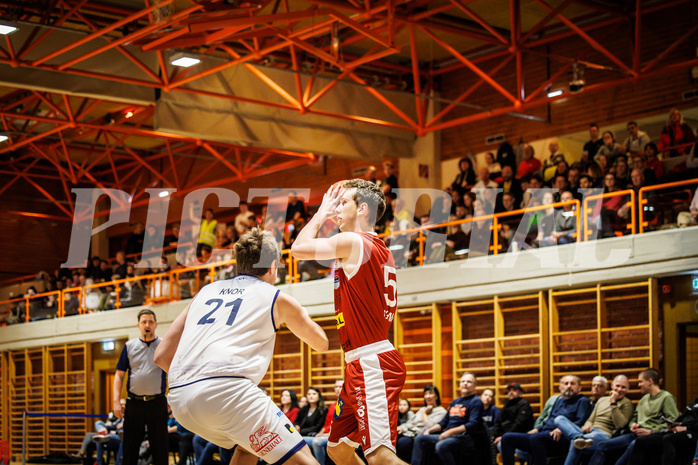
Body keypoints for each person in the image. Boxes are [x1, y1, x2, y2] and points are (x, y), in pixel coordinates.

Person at [154, 228, 329, 465]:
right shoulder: (275, 296)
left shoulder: (206, 291)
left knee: (248, 446)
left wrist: (197, 385)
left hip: (180, 399)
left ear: (239, 263)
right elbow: (321, 344)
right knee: (304, 459)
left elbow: (161, 355)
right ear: (273, 266)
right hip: (227, 393)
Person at [290, 179, 407, 465]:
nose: (337, 209)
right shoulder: (379, 247)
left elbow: (298, 248)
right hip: (361, 362)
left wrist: (320, 215)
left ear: (363, 209)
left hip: (372, 361)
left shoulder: (355, 241)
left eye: (344, 203)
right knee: (338, 449)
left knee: (382, 458)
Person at [587, 368, 680, 465]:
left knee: (634, 445)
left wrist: (652, 431)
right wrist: (632, 425)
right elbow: (634, 417)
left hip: (651, 435)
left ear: (650, 381)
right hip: (636, 434)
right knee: (602, 445)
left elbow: (673, 423)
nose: (638, 385)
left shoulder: (666, 397)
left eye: (640, 381)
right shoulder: (644, 398)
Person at [112, 309, 168, 465]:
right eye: (144, 322)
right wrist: (116, 401)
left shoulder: (163, 345)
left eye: (150, 322)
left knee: (160, 448)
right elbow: (119, 375)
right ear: (138, 325)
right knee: (130, 447)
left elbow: (174, 372)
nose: (147, 325)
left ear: (156, 325)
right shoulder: (129, 346)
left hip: (157, 403)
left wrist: (172, 399)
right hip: (134, 403)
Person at [500, 375, 591, 465]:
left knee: (536, 438)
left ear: (579, 387)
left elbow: (580, 422)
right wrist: (537, 429)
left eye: (572, 383)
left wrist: (563, 429)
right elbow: (548, 420)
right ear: (560, 387)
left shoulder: (582, 401)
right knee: (507, 438)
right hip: (544, 433)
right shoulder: (558, 401)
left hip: (561, 437)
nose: (569, 386)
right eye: (566, 383)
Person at [554, 375, 634, 465]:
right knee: (559, 419)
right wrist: (587, 425)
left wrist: (613, 403)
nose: (619, 389)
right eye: (617, 386)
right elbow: (591, 419)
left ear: (627, 389)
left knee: (575, 443)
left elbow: (620, 424)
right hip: (588, 432)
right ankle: (578, 437)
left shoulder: (627, 403)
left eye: (623, 387)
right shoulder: (602, 400)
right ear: (612, 386)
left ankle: (578, 439)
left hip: (603, 434)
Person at [411, 373, 484, 465]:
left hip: (463, 437)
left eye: (469, 381)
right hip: (449, 436)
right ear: (460, 384)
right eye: (463, 381)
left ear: (474, 385)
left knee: (441, 446)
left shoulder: (476, 401)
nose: (465, 383)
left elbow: (473, 424)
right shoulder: (456, 401)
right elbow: (444, 422)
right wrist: (429, 430)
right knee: (420, 438)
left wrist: (450, 432)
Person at [627, 394, 698, 465]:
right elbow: (683, 417)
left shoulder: (667, 397)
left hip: (693, 432)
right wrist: (674, 424)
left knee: (668, 438)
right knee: (644, 440)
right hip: (679, 429)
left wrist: (686, 428)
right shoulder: (692, 403)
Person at [311, 379, 344, 465]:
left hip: (339, 436)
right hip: (327, 435)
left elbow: (343, 428)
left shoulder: (349, 405)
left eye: (340, 387)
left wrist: (327, 435)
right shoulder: (332, 406)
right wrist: (320, 433)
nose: (337, 389)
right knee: (302, 441)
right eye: (336, 387)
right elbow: (326, 424)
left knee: (317, 442)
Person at [492, 383, 534, 449]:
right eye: (509, 391)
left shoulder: (524, 405)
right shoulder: (506, 405)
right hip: (506, 435)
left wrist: (504, 436)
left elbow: (519, 425)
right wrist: (493, 435)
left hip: (520, 435)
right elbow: (499, 422)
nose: (511, 392)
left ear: (520, 393)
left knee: (502, 444)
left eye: (514, 390)